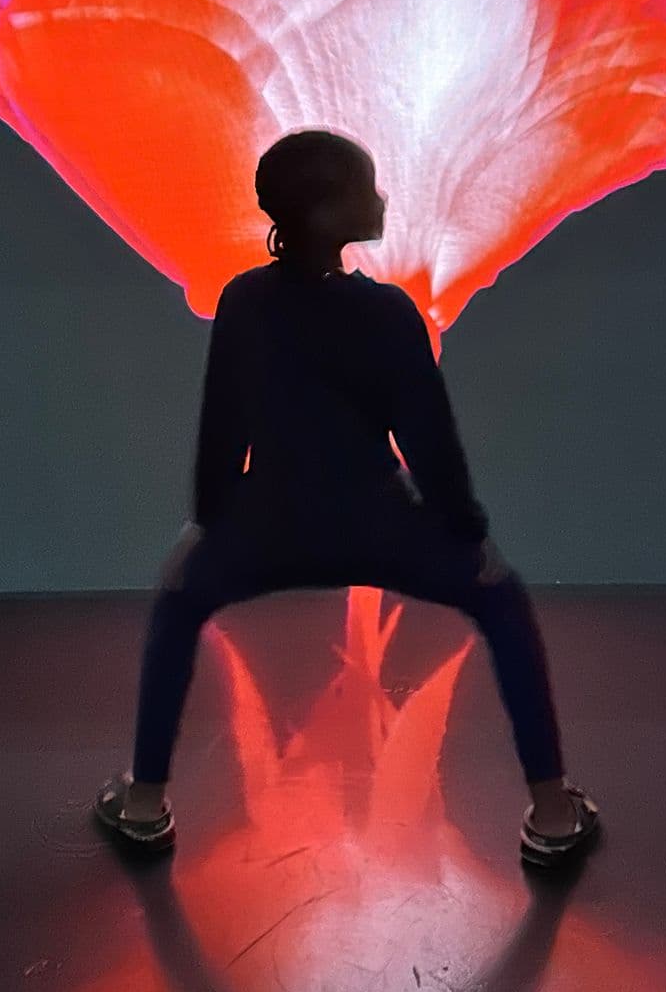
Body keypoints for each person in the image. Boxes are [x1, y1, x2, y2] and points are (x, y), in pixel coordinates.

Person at [92, 129, 600, 867]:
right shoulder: (388, 312)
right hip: (377, 522)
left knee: (176, 602)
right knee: (503, 602)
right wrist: (468, 532)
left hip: (267, 523)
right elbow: (429, 439)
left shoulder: (244, 301)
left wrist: (207, 524)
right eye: (367, 187)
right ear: (328, 212)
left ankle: (144, 806)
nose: (382, 198)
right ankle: (552, 814)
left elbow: (222, 425)